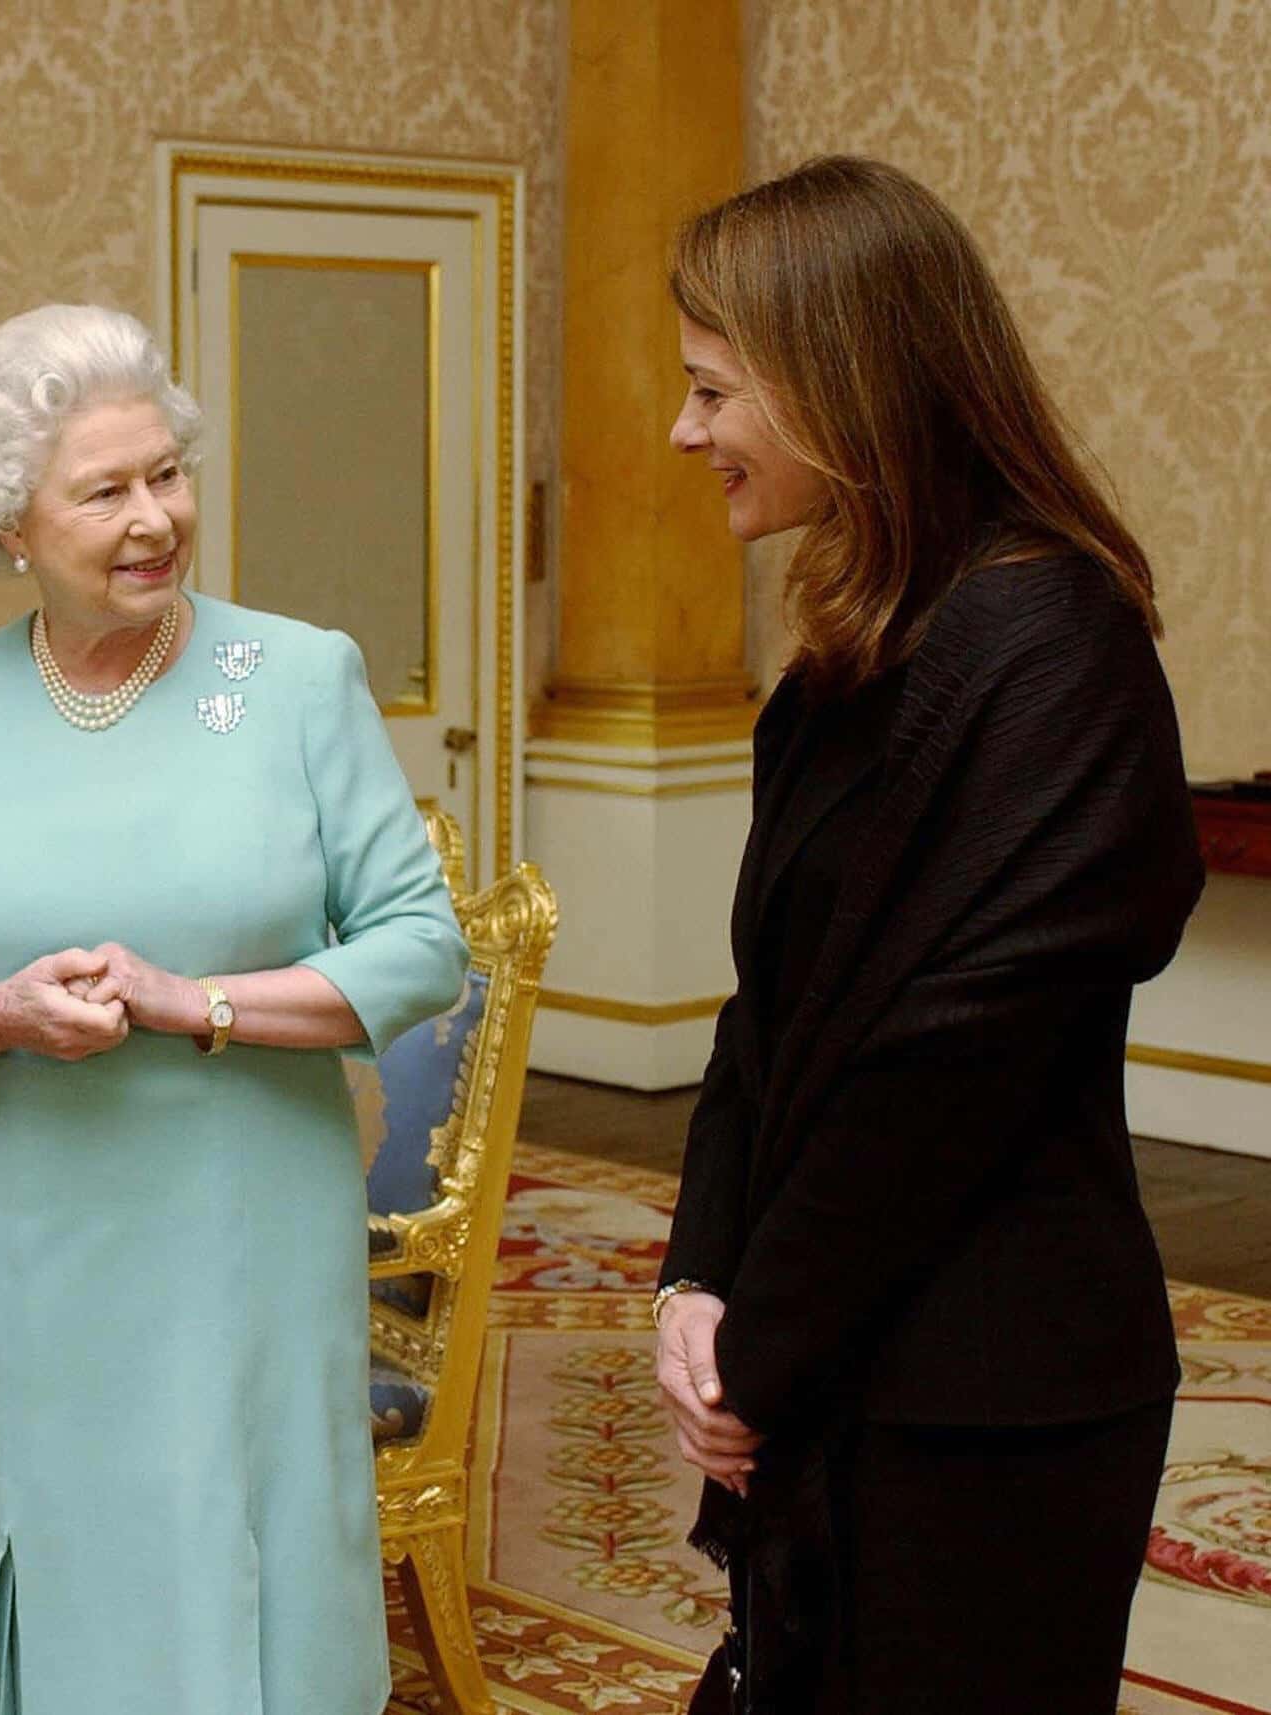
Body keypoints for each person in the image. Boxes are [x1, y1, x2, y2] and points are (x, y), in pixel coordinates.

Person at [0, 303, 468, 1714]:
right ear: (12, 525)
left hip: (245, 1220)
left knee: (238, 1540)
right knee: (62, 1546)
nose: (153, 519)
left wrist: (200, 1003)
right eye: (103, 491)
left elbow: (422, 944)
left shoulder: (295, 677)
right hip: (39, 1228)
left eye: (166, 472)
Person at [651, 155, 1204, 1714]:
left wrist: (760, 1355)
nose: (684, 434)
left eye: (711, 390)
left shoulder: (1055, 652)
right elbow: (764, 1021)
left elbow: (941, 1075)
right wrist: (694, 1280)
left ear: (842, 385)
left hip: (992, 1403)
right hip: (831, 1367)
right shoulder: (842, 663)